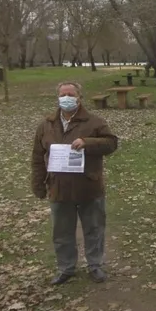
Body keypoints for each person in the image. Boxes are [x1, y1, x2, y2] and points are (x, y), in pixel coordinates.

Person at [32, 81, 119, 285]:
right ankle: (66, 268)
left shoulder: (94, 122)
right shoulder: (46, 125)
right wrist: (38, 185)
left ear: (79, 97)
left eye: (71, 94)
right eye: (63, 94)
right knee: (62, 231)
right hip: (58, 188)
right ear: (57, 97)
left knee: (94, 228)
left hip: (89, 186)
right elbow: (37, 156)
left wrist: (87, 143)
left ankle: (95, 265)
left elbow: (111, 143)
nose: (67, 97)